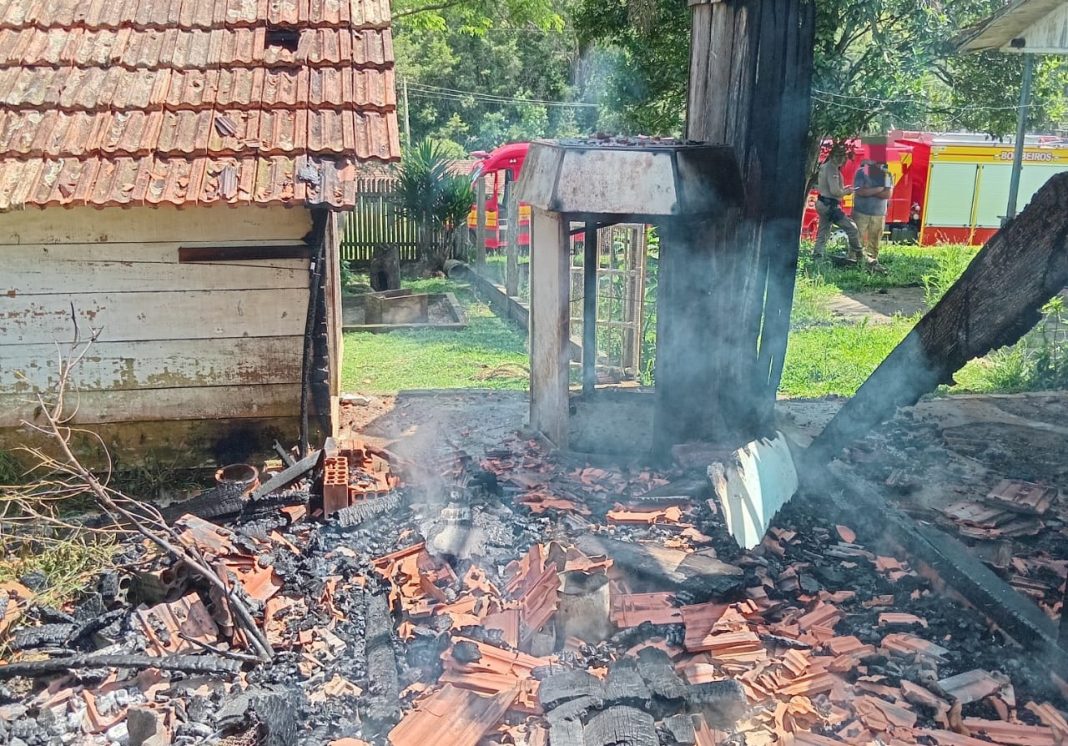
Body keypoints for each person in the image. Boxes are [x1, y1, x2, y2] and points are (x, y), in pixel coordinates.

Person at [812, 145, 862, 262]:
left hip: (822, 202)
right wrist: (847, 191)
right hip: (830, 206)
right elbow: (835, 191)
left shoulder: (824, 166)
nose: (842, 159)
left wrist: (843, 188)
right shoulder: (832, 168)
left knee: (823, 231)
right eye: (841, 156)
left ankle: (817, 257)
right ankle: (860, 256)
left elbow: (827, 187)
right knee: (852, 229)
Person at [852, 159, 893, 273]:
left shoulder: (887, 175)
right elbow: (860, 192)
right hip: (861, 212)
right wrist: (879, 189)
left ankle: (872, 264)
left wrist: (870, 191)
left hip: (879, 214)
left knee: (875, 241)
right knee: (856, 238)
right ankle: (854, 262)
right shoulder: (861, 172)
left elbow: (887, 194)